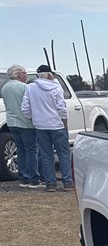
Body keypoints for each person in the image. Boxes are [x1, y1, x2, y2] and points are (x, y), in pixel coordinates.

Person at [21, 64, 72, 192]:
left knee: (46, 155)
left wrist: (35, 118)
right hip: (57, 125)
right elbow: (62, 108)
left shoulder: (30, 87)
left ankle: (50, 184)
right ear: (49, 75)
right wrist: (64, 123)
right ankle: (67, 182)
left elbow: (25, 108)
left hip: (40, 126)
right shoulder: (56, 87)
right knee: (63, 154)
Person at [1, 64, 40, 187]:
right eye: (24, 73)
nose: (26, 75)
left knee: (21, 150)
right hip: (26, 123)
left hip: (12, 123)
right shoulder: (25, 87)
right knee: (31, 151)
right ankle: (34, 178)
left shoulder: (5, 87)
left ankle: (23, 177)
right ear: (18, 74)